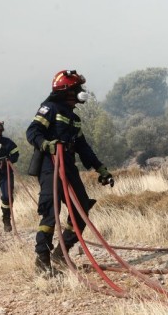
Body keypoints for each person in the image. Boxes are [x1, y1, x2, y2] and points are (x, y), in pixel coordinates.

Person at [26, 70, 113, 275]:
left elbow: (84, 148)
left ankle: (60, 254)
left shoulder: (74, 118)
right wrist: (46, 144)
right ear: (67, 91)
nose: (81, 92)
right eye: (77, 89)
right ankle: (43, 261)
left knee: (81, 207)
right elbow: (32, 132)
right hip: (51, 166)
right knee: (51, 212)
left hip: (69, 167)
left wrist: (100, 168)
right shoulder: (50, 108)